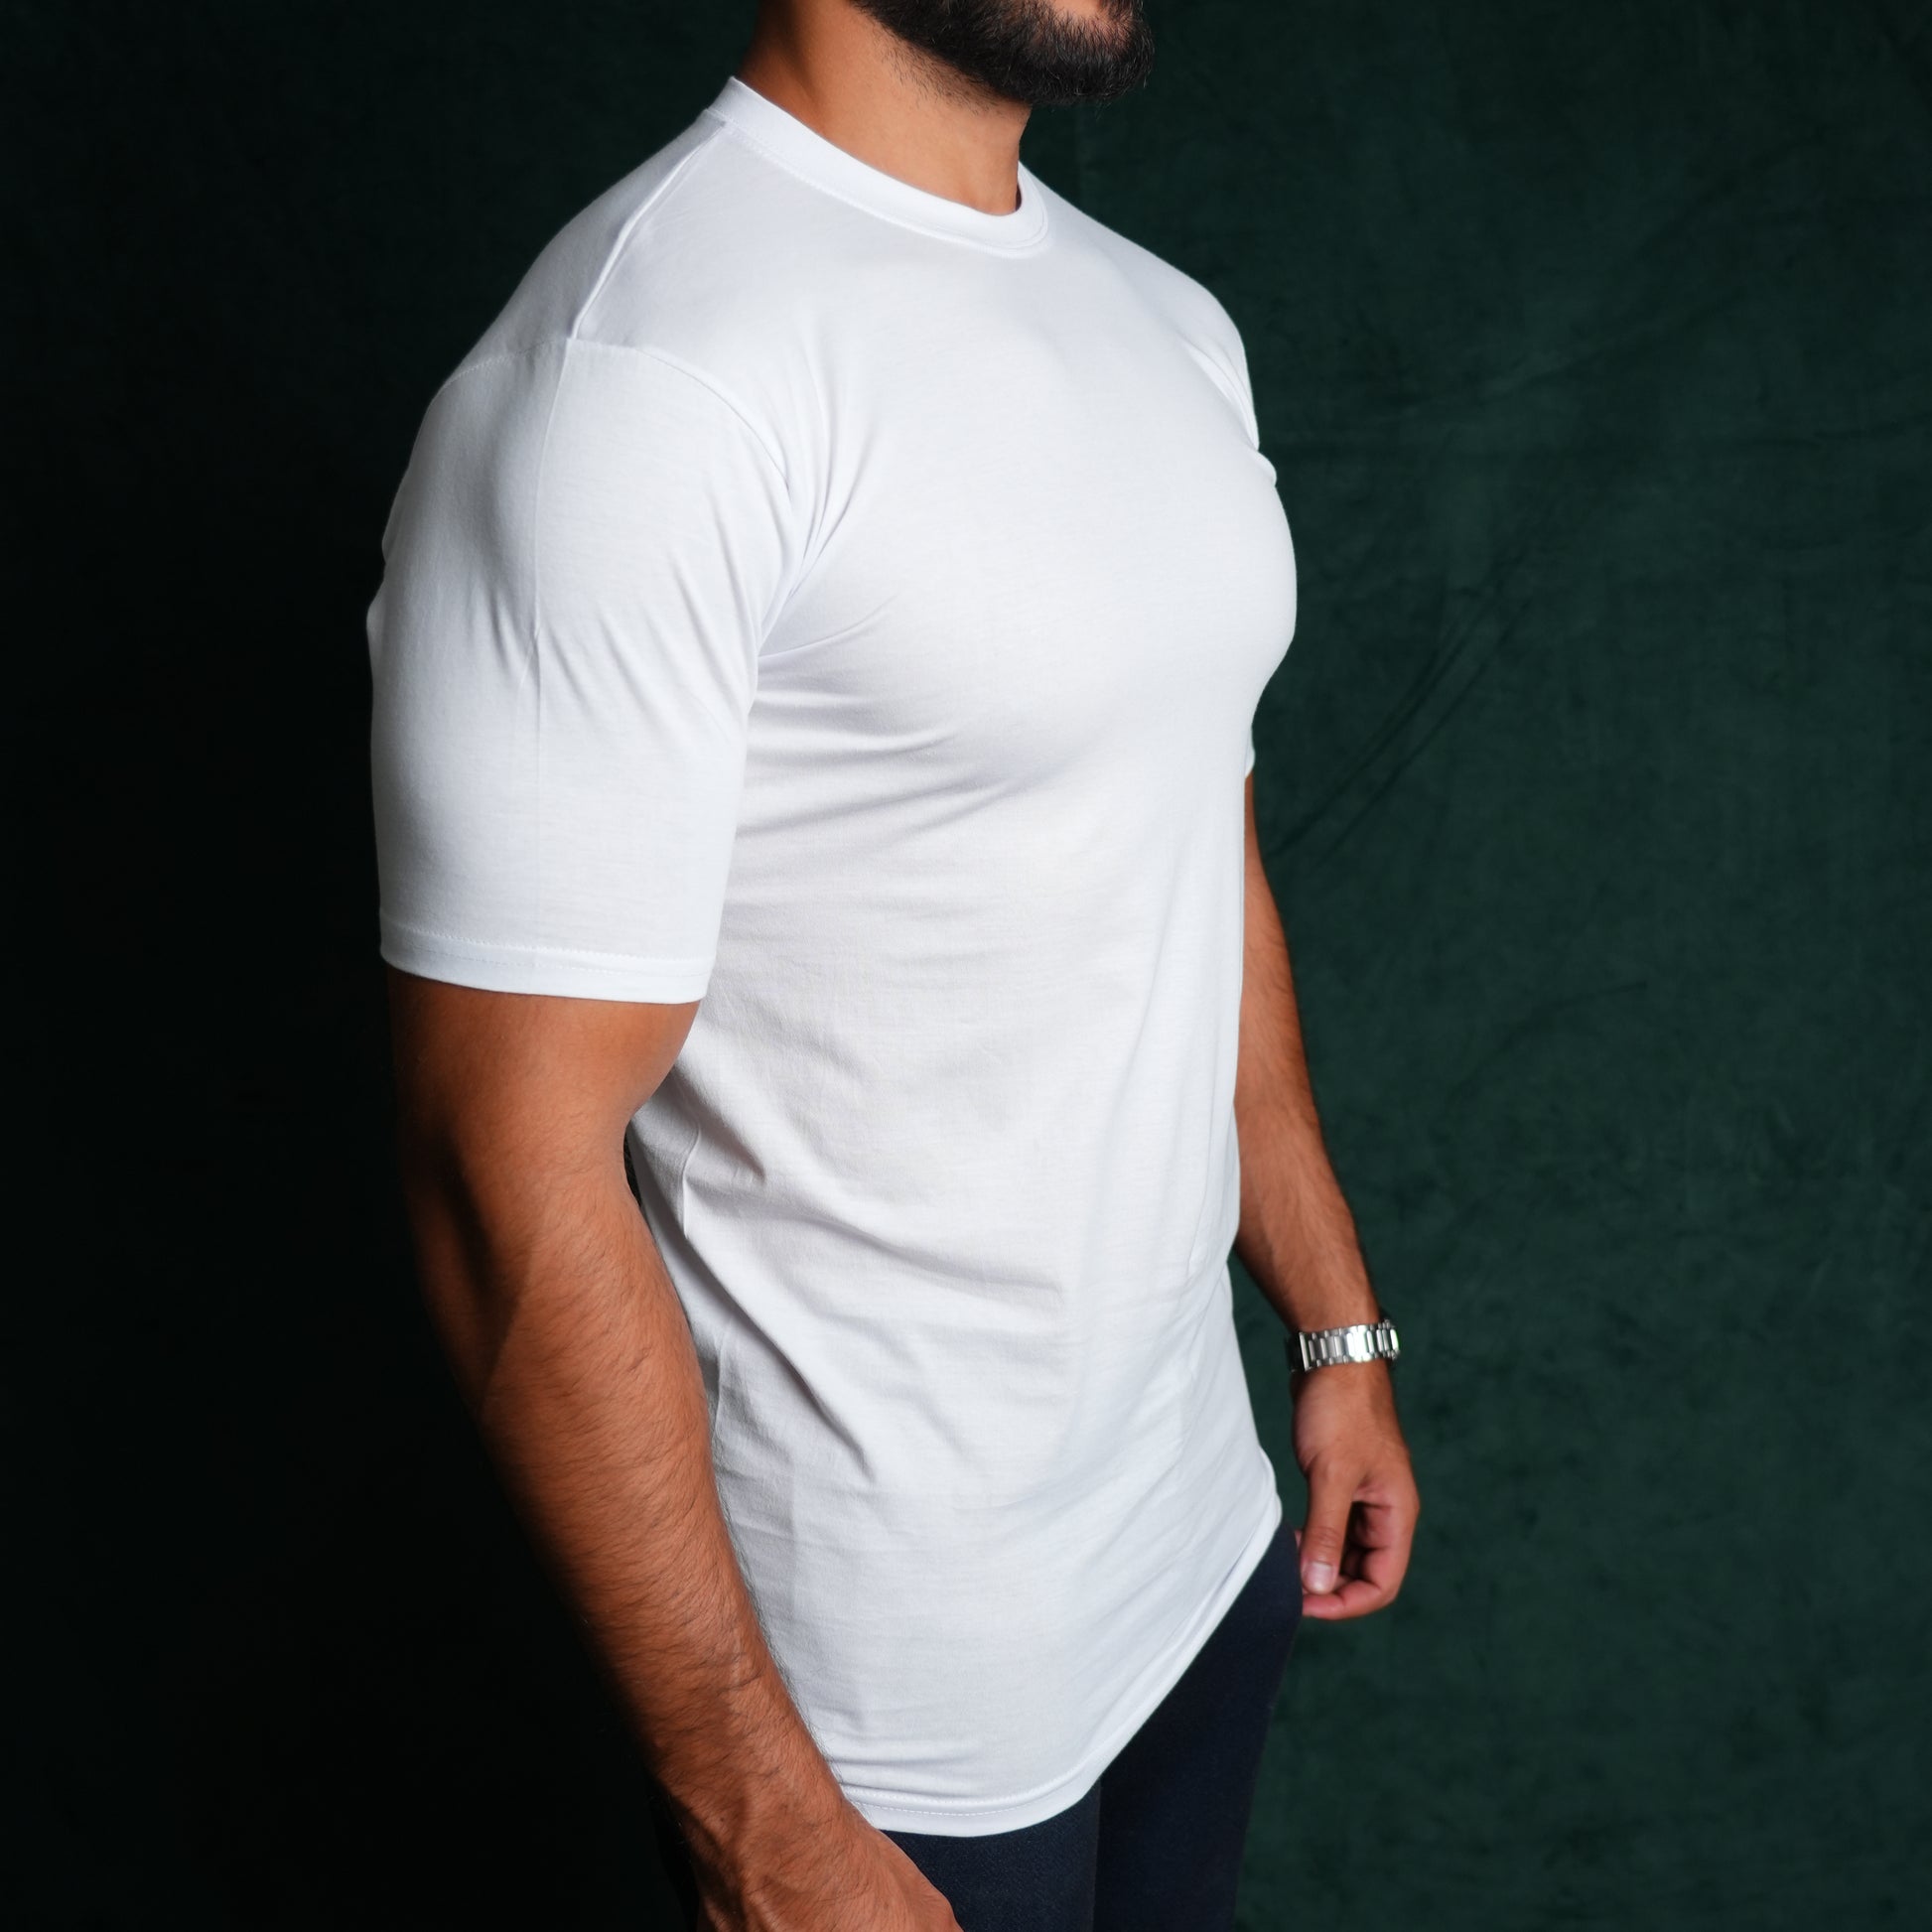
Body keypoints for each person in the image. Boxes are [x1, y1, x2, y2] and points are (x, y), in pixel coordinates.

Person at [365, 0, 1421, 1924]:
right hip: (891, 1684)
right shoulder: (641, 379)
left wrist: (1333, 1324)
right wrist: (756, 1816)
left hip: (1193, 1540)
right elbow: (496, 1166)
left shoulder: (1168, 323)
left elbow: (1190, 852)